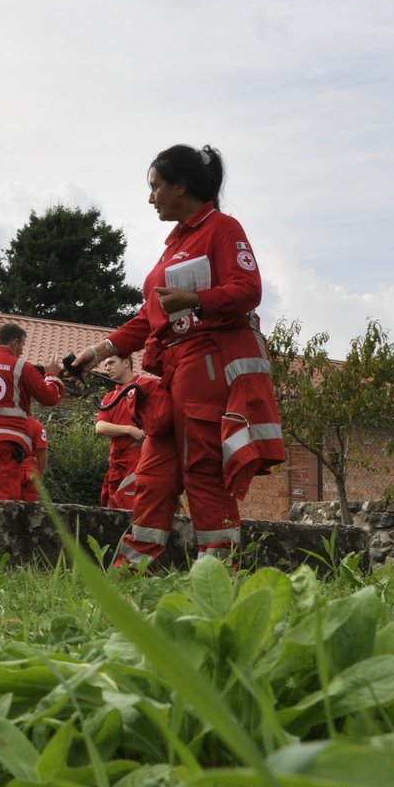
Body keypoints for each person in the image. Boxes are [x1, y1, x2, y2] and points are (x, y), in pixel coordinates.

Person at [67, 144, 284, 563]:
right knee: (153, 473)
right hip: (172, 373)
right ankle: (131, 576)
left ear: (180, 186)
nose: (151, 198)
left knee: (202, 469)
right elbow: (148, 317)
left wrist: (196, 299)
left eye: (156, 187)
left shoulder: (222, 228)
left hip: (206, 364)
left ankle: (217, 578)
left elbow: (249, 291)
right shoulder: (175, 243)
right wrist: (94, 353)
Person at [0, 323, 64, 501]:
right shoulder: (21, 366)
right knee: (5, 496)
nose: (22, 351)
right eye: (22, 346)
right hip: (8, 441)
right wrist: (51, 375)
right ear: (16, 342)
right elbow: (49, 397)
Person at [94, 352, 159, 511]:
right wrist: (128, 429)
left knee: (136, 509)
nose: (107, 367)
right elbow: (100, 427)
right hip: (116, 462)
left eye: (111, 362)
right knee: (113, 509)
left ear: (126, 363)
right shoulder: (110, 397)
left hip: (141, 458)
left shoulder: (148, 385)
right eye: (106, 364)